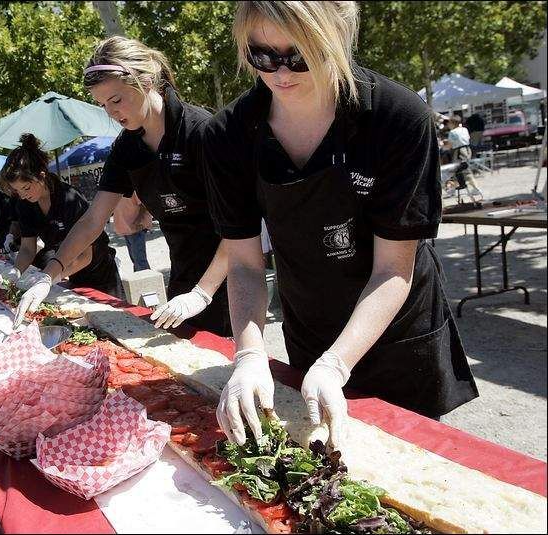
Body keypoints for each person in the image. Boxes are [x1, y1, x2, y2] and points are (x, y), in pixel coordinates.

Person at [203, 1, 478, 449]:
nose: (280, 73)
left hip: (397, 336)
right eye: (262, 55)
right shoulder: (228, 134)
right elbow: (246, 265)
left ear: (337, 36)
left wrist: (337, 363)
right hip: (309, 325)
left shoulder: (398, 118)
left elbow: (393, 268)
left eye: (300, 55)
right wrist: (250, 355)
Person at [13, 36, 231, 335]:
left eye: (115, 100)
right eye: (102, 105)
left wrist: (202, 292)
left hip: (231, 272)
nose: (111, 113)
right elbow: (92, 220)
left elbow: (240, 228)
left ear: (146, 80)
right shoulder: (126, 147)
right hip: (183, 274)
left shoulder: (201, 131)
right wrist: (49, 275)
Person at [1, 133, 120, 300]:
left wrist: (49, 278)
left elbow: (85, 256)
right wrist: (16, 272)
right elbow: (28, 248)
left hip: (100, 273)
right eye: (17, 191)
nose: (22, 196)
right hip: (68, 269)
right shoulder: (25, 204)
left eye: (26, 188)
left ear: (41, 176)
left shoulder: (69, 198)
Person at [444, 115, 484, 201]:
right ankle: (460, 188)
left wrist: (443, 147)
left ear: (453, 123)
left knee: (459, 170)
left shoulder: (453, 132)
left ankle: (463, 186)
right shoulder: (464, 129)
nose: (448, 125)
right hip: (467, 150)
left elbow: (450, 145)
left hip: (459, 152)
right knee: (464, 170)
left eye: (449, 123)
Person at [112, 193, 152, 271]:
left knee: (139, 261)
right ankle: (140, 280)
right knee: (135, 260)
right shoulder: (115, 189)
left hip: (136, 229)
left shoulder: (133, 189)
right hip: (126, 228)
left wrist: (138, 221)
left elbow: (144, 205)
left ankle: (145, 281)